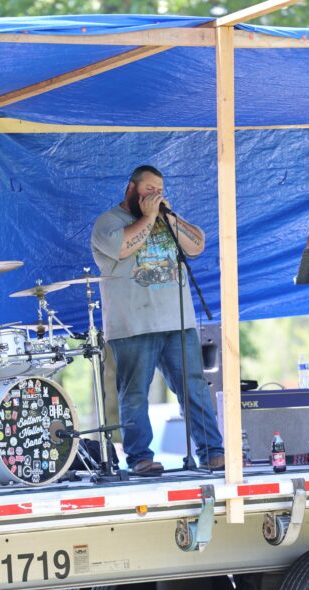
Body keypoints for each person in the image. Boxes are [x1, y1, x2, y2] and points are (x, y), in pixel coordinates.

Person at [91, 165, 224, 475]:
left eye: (159, 191)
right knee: (135, 393)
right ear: (131, 188)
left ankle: (212, 452)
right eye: (148, 190)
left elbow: (197, 245)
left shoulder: (167, 220)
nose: (155, 196)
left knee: (194, 388)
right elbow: (122, 248)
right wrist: (149, 218)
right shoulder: (107, 223)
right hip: (133, 326)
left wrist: (168, 217)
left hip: (177, 322)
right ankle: (139, 458)